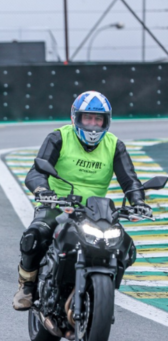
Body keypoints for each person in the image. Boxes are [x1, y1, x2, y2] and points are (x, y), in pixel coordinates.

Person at [13, 91, 152, 310]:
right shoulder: (58, 137)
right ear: (75, 118)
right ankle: (27, 285)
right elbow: (35, 173)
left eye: (99, 119)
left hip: (96, 211)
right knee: (35, 235)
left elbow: (130, 180)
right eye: (88, 118)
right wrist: (43, 191)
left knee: (125, 246)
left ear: (107, 121)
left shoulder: (115, 145)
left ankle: (102, 290)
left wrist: (138, 202)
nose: (93, 125)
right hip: (57, 205)